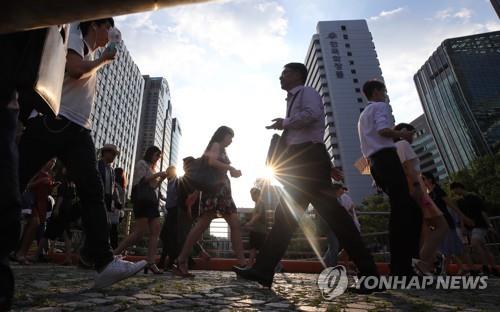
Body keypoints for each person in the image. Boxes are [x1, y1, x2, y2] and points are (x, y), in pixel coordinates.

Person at [17, 19, 146, 289]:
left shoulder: (91, 49)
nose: (110, 35)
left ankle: (104, 261)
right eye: (108, 28)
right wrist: (105, 59)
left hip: (76, 128)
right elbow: (75, 70)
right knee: (14, 179)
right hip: (53, 120)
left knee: (92, 190)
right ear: (96, 25)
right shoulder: (74, 31)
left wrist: (103, 56)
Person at [234, 63, 379, 291]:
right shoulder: (293, 99)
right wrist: (327, 165)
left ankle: (371, 276)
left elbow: (313, 116)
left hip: (307, 161)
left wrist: (285, 123)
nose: (280, 77)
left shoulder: (306, 92)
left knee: (333, 217)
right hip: (304, 160)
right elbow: (312, 135)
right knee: (286, 217)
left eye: (285, 73)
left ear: (297, 75)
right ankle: (263, 270)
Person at [356, 80, 422, 277]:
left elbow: (378, 136)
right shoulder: (379, 106)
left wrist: (396, 136)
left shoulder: (363, 115)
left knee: (408, 210)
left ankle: (405, 265)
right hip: (386, 159)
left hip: (376, 163)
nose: (385, 95)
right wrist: (402, 134)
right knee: (403, 211)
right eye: (383, 91)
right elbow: (383, 131)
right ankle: (401, 268)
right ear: (376, 92)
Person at [174, 126, 246, 277]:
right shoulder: (216, 145)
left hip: (221, 192)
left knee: (229, 224)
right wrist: (230, 167)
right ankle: (242, 264)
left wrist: (229, 171)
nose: (231, 140)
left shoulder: (221, 149)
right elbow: (211, 163)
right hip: (216, 192)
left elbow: (208, 171)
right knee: (207, 225)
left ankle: (242, 263)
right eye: (230, 136)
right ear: (223, 135)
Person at [393, 123, 449, 275]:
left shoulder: (391, 150)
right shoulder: (403, 144)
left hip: (408, 190)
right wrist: (418, 186)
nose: (412, 136)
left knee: (424, 230)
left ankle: (426, 264)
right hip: (416, 189)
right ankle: (420, 263)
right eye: (411, 132)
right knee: (442, 226)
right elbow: (409, 168)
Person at [114, 146, 167, 274]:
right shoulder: (142, 164)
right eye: (156, 156)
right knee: (140, 232)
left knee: (156, 229)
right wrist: (157, 175)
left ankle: (151, 262)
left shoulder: (152, 168)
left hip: (152, 201)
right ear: (151, 154)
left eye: (159, 157)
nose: (157, 159)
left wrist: (161, 179)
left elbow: (153, 186)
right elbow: (141, 182)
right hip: (142, 200)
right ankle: (114, 253)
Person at [421, 172, 473, 275]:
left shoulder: (438, 191)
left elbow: (451, 205)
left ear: (430, 179)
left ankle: (472, 269)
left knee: (456, 249)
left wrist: (463, 217)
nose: (422, 181)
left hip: (447, 223)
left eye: (423, 179)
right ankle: (451, 270)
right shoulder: (428, 194)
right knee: (449, 249)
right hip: (437, 225)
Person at [13, 159, 57, 264]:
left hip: (42, 205)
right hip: (32, 201)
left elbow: (47, 192)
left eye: (54, 162)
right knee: (34, 223)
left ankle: (19, 252)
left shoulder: (49, 176)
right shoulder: (37, 171)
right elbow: (27, 186)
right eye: (50, 161)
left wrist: (52, 187)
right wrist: (39, 182)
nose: (51, 163)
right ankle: (21, 253)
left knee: (35, 227)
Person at [450, 182, 499, 276]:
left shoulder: (474, 197)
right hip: (470, 228)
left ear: (459, 188)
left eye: (455, 190)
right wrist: (463, 227)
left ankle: (486, 268)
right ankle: (493, 268)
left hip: (480, 225)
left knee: (475, 244)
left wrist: (490, 225)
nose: (455, 193)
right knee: (484, 248)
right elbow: (462, 216)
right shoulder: (460, 201)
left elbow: (483, 212)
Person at [159, 166, 180, 269]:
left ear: (173, 172)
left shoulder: (177, 181)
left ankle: (168, 261)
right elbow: (172, 198)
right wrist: (163, 198)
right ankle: (167, 261)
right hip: (170, 212)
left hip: (175, 212)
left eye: (168, 171)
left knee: (167, 236)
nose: (166, 173)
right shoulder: (170, 182)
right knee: (166, 236)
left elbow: (179, 197)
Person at [244, 188, 268, 268]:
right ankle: (250, 265)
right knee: (257, 248)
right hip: (258, 230)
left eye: (252, 194)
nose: (251, 196)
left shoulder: (259, 203)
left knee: (254, 248)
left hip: (258, 231)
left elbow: (258, 214)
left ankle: (249, 265)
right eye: (251, 194)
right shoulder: (258, 203)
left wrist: (250, 223)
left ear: (257, 194)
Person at [110, 168, 127, 249]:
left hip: (111, 210)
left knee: (109, 231)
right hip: (118, 213)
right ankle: (114, 250)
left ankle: (111, 250)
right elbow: (123, 202)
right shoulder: (123, 188)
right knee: (114, 232)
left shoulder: (113, 184)